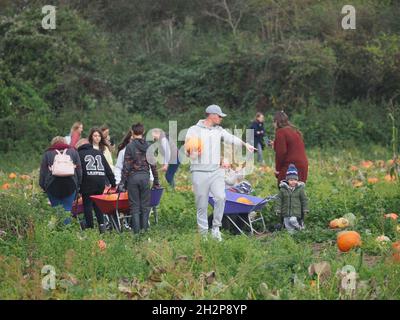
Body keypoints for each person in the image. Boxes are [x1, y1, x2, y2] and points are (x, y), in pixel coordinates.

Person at [185, 104, 256, 241]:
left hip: (216, 171)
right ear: (211, 115)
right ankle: (204, 233)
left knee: (220, 197)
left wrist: (245, 144)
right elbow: (188, 147)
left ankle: (216, 229)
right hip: (199, 172)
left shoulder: (219, 130)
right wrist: (191, 152)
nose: (221, 118)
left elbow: (231, 138)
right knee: (202, 204)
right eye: (219, 116)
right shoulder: (193, 130)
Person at [119, 123, 160, 234]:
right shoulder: (148, 146)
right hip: (145, 178)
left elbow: (126, 166)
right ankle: (145, 231)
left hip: (133, 179)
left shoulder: (130, 146)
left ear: (132, 132)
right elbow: (153, 166)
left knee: (134, 206)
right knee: (145, 206)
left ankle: (136, 233)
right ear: (143, 132)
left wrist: (122, 182)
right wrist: (156, 181)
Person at [76, 138, 116, 233]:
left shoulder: (79, 154)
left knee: (87, 204)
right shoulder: (98, 153)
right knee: (98, 204)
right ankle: (102, 226)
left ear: (80, 145)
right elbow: (108, 169)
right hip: (100, 182)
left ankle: (90, 227)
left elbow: (77, 171)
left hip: (87, 181)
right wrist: (113, 183)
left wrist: (77, 186)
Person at [39, 136, 82, 221]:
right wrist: (78, 185)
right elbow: (79, 171)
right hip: (70, 185)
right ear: (65, 142)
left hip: (52, 185)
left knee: (56, 210)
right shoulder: (73, 152)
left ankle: (58, 231)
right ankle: (66, 230)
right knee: (67, 210)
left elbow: (43, 172)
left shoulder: (48, 153)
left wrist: (44, 186)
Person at [273, 110, 308, 184]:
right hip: (303, 166)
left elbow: (281, 153)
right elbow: (292, 147)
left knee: (284, 189)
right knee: (298, 192)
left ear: (276, 122)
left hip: (291, 167)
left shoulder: (280, 132)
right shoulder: (294, 130)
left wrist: (278, 170)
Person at [275, 164, 309, 234]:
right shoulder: (283, 189)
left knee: (292, 220)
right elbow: (279, 199)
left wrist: (305, 209)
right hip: (285, 212)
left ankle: (299, 228)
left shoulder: (300, 189)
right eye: (291, 180)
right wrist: (277, 209)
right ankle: (294, 235)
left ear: (297, 180)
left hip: (296, 212)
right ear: (287, 180)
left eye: (295, 180)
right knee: (289, 228)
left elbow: (304, 200)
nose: (293, 182)